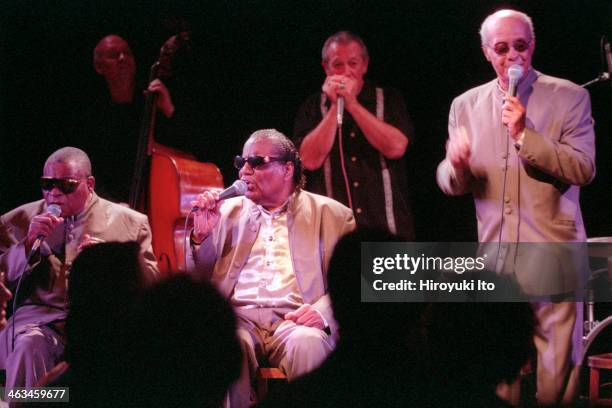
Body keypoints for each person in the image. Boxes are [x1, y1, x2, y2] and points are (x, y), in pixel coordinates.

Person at [436, 9, 595, 406]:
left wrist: (526, 134)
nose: (512, 57)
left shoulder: (569, 96)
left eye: (520, 46)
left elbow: (584, 167)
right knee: (495, 372)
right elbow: (452, 182)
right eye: (502, 48)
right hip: (495, 260)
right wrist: (455, 166)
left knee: (556, 378)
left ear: (533, 46)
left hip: (552, 254)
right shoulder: (465, 105)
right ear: (487, 52)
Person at [190, 129, 355, 407]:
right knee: (222, 343)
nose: (244, 171)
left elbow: (351, 282)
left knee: (310, 343)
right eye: (241, 162)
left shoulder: (333, 215)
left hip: (295, 321)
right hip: (239, 319)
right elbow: (201, 281)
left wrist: (322, 312)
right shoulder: (226, 212)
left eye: (256, 162)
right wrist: (201, 238)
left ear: (287, 168)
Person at [0, 146, 159, 390]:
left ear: (90, 183)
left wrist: (110, 263)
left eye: (66, 185)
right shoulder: (18, 220)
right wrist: (28, 244)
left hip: (102, 323)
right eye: (47, 184)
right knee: (28, 347)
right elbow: (4, 278)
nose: (53, 193)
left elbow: (152, 284)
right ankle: (31, 405)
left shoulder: (131, 223)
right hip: (38, 320)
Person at [294, 31, 416, 240]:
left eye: (353, 63)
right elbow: (308, 160)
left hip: (387, 228)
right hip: (334, 236)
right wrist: (335, 107)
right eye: (337, 65)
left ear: (365, 65)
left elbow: (396, 147)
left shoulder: (388, 99)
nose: (346, 71)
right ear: (326, 68)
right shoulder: (312, 107)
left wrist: (352, 103)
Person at [72, 34, 200, 203]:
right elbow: (89, 174)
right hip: (113, 211)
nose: (123, 58)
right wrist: (112, 206)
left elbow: (195, 146)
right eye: (113, 55)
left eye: (127, 53)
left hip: (160, 204)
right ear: (98, 66)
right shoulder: (93, 116)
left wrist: (169, 110)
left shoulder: (154, 103)